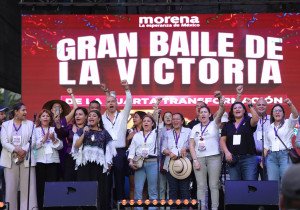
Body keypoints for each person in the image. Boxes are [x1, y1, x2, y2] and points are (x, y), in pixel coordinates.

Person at [73, 110, 116, 210]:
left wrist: (109, 163)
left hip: (99, 165)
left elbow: (110, 149)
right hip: (84, 165)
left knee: (101, 191)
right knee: (85, 190)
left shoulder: (104, 133)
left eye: (94, 116)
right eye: (90, 116)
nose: (91, 117)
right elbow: (76, 146)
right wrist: (84, 133)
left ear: (99, 119)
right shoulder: (82, 131)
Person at [0, 102, 37, 210]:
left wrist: (23, 150)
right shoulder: (5, 125)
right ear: (16, 112)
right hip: (10, 160)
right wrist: (16, 149)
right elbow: (4, 142)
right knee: (11, 189)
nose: (26, 112)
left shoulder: (30, 124)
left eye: (26, 110)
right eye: (23, 110)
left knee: (28, 188)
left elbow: (33, 140)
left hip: (26, 159)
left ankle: (29, 208)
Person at [189, 96, 225, 210]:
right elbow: (191, 145)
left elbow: (221, 111)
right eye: (200, 112)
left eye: (205, 112)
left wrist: (220, 101)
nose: (202, 114)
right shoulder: (194, 127)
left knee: (214, 185)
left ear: (210, 114)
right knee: (200, 186)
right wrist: (194, 160)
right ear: (198, 115)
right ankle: (202, 208)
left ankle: (214, 208)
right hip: (199, 158)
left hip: (214, 158)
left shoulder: (214, 123)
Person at [102, 80, 132, 202]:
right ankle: (107, 205)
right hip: (106, 153)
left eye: (113, 101)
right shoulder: (102, 118)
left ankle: (120, 204)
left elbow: (129, 102)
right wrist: (106, 92)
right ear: (105, 104)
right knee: (106, 181)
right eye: (108, 102)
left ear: (117, 103)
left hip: (120, 152)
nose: (111, 103)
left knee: (119, 181)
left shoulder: (123, 115)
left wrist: (127, 89)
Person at [220, 99, 259, 180]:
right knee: (235, 186)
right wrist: (227, 153)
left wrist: (250, 106)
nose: (237, 109)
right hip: (233, 159)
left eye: (240, 107)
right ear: (232, 111)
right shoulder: (228, 125)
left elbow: (255, 119)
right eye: (235, 108)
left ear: (244, 110)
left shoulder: (248, 121)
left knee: (250, 184)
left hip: (248, 159)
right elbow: (222, 140)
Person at [128, 114, 159, 210]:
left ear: (153, 124)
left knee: (152, 190)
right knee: (138, 189)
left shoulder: (155, 133)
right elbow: (132, 149)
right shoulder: (137, 135)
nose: (146, 122)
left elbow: (160, 124)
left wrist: (156, 108)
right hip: (139, 163)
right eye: (144, 121)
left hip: (152, 162)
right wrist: (130, 161)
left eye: (148, 121)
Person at [34, 109, 63, 209]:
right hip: (40, 162)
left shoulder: (54, 129)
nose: (45, 117)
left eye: (47, 116)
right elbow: (33, 146)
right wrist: (43, 140)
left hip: (53, 162)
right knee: (40, 187)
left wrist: (54, 139)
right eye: (43, 116)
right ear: (40, 118)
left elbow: (60, 147)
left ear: (50, 118)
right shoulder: (35, 130)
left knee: (53, 187)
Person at [264, 99, 298, 182]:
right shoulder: (269, 127)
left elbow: (295, 115)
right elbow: (266, 146)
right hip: (271, 157)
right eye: (275, 111)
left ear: (283, 113)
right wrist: (263, 160)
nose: (277, 112)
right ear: (272, 114)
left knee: (286, 181)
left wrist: (290, 104)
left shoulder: (288, 123)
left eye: (279, 111)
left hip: (285, 155)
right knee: (273, 183)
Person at [162, 113, 191, 206]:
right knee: (172, 190)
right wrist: (169, 153)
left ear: (182, 121)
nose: (175, 121)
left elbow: (193, 145)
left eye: (177, 119)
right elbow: (163, 148)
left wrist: (186, 149)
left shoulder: (188, 131)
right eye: (173, 119)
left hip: (185, 164)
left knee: (185, 190)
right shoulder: (168, 133)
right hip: (171, 164)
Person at [57, 107, 88, 181]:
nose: (77, 116)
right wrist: (58, 124)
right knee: (69, 179)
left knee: (82, 180)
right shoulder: (70, 127)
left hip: (84, 158)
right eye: (76, 114)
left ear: (86, 116)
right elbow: (61, 134)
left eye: (80, 114)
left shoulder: (89, 128)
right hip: (70, 157)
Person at [126, 111, 147, 200]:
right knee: (133, 186)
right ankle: (132, 207)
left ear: (142, 119)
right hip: (133, 162)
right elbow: (125, 147)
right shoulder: (129, 131)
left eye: (136, 117)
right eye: (133, 117)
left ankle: (144, 207)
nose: (134, 119)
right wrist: (128, 138)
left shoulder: (148, 131)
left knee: (145, 188)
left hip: (146, 161)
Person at [254, 97, 270, 180]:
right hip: (253, 155)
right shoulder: (250, 118)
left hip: (268, 156)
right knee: (251, 184)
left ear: (266, 106)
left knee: (267, 181)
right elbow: (237, 107)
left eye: (263, 105)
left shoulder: (272, 119)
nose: (261, 106)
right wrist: (238, 95)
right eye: (259, 104)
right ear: (255, 106)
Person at [0, 105, 8, 201]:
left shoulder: (5, 127)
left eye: (4, 114)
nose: (4, 116)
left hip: (5, 161)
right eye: (1, 114)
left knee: (5, 187)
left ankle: (4, 206)